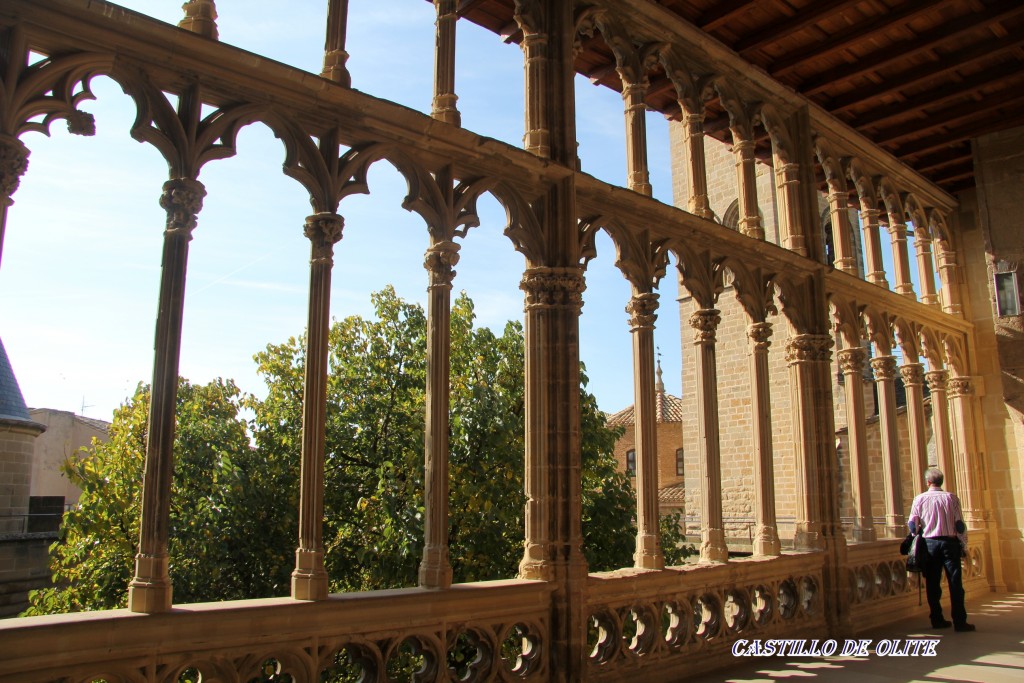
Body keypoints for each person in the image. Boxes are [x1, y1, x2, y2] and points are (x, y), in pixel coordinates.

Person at [908, 468, 975, 632]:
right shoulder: (951, 498)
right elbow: (960, 524)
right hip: (949, 544)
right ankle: (960, 622)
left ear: (928, 482)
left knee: (932, 583)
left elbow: (912, 524)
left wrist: (915, 534)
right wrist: (963, 545)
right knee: (955, 582)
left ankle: (937, 619)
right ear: (941, 481)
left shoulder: (920, 499)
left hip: (930, 544)